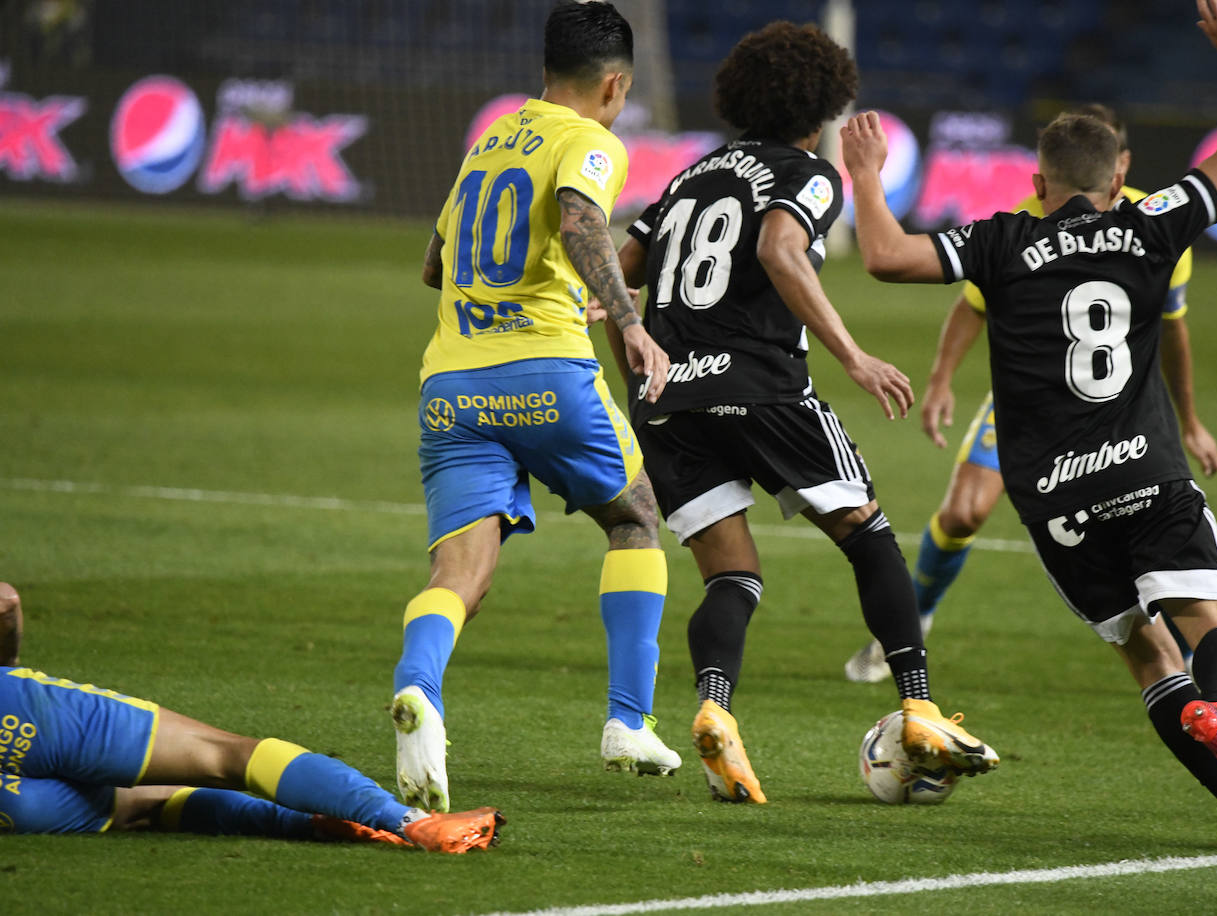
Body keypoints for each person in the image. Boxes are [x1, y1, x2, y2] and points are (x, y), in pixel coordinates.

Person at [842, 0, 1217, 853]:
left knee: (1148, 659)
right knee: (1213, 631)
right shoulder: (1152, 224)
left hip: (1054, 502)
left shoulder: (1002, 240)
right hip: (1147, 476)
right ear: (1117, 180)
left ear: (1039, 182)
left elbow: (885, 256)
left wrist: (864, 172)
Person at [606, 21, 998, 804]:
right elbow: (781, 249)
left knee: (733, 576)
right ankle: (918, 706)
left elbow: (618, 279)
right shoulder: (808, 172)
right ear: (819, 106)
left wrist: (642, 378)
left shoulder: (690, 176)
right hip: (762, 386)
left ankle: (716, 708)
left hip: (671, 400)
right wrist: (853, 356)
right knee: (868, 534)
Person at [391, 0, 682, 813]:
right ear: (615, 83)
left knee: (459, 572)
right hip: (544, 373)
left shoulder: (489, 141)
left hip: (450, 385)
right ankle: (628, 720)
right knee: (635, 516)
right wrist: (629, 322)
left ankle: (419, 689)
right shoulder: (589, 141)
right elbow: (585, 217)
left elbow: (433, 264)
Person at [843, 104, 1217, 683]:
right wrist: (942, 378)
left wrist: (1189, 421)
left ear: (1121, 164)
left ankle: (1188, 655)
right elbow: (972, 305)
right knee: (965, 511)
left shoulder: (1157, 225)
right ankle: (913, 617)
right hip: (1034, 409)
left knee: (1138, 539)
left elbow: (1172, 328)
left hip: (1118, 414)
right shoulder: (1024, 221)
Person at [0, 583, 502, 851]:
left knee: (140, 807)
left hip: (13, 813)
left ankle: (318, 825)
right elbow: (6, 600)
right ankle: (409, 823)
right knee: (230, 757)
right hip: (16, 714)